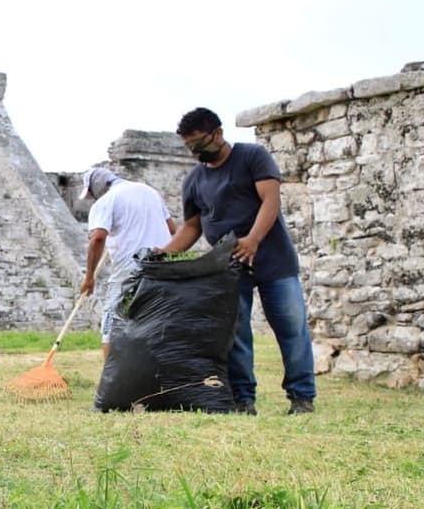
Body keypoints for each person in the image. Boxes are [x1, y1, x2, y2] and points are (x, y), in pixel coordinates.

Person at [163, 107, 317, 415]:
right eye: (188, 146)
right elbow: (193, 226)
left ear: (217, 133)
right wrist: (165, 253)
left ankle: (302, 398)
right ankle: (243, 399)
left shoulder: (252, 157)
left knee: (292, 329)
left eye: (198, 143)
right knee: (236, 336)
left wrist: (253, 240)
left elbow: (271, 199)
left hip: (275, 262)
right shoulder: (193, 180)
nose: (194, 152)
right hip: (229, 269)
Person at [79, 167, 177, 358]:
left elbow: (97, 238)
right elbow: (172, 228)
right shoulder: (149, 191)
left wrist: (89, 277)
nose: (92, 198)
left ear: (96, 187)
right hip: (163, 268)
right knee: (155, 323)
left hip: (129, 273)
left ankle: (111, 381)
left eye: (91, 193)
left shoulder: (106, 201)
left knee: (111, 325)